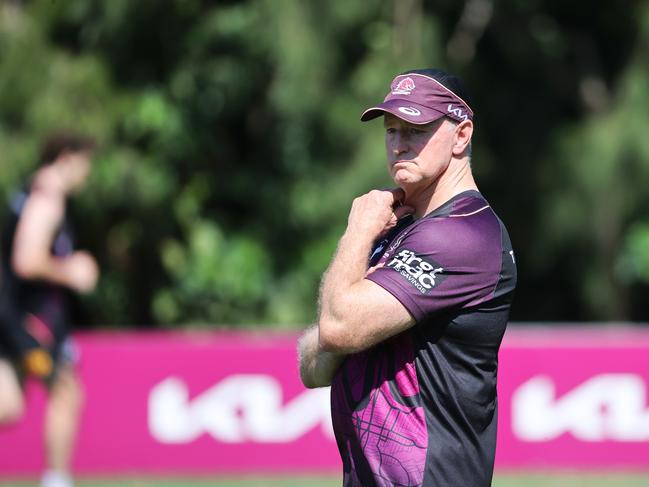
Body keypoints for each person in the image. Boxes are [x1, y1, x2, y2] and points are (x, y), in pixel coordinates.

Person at [298, 69, 517, 486]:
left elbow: (338, 328)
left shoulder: (464, 235)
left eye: (415, 129)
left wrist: (358, 230)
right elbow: (314, 365)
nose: (398, 145)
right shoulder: (400, 231)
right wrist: (338, 330)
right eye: (391, 130)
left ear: (461, 135)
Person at [0, 134, 99, 487]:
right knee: (65, 388)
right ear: (67, 157)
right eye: (86, 162)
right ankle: (56, 482)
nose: (88, 172)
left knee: (8, 405)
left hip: (14, 314)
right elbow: (25, 261)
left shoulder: (33, 192)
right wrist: (71, 270)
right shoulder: (48, 200)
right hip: (25, 319)